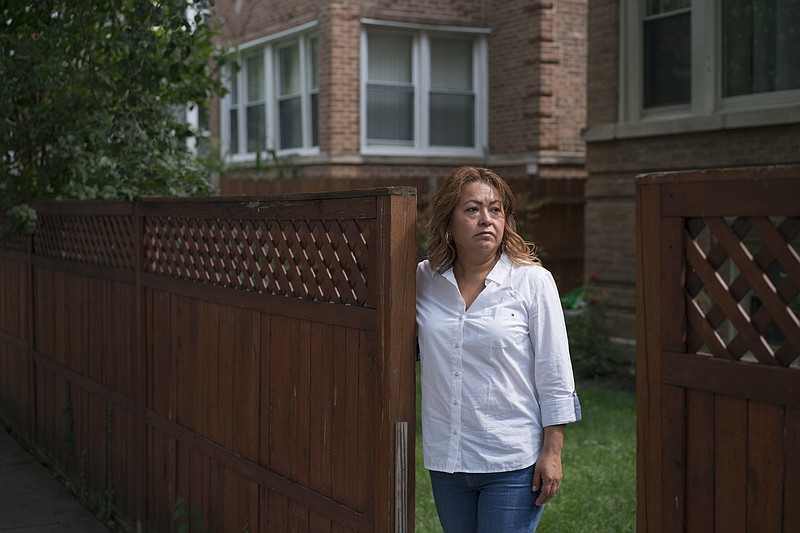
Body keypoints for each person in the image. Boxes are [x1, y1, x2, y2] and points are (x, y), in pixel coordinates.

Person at [416, 166, 582, 533]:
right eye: (472, 209)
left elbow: (555, 374)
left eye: (496, 210)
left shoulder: (532, 281)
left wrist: (552, 453)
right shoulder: (423, 280)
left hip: (512, 460)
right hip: (448, 460)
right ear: (448, 220)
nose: (486, 220)